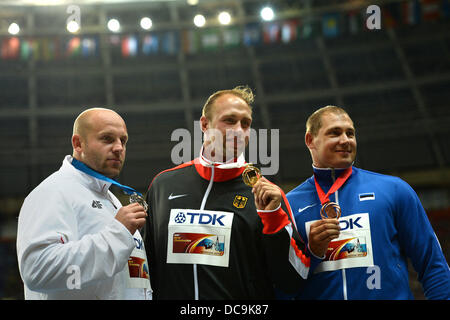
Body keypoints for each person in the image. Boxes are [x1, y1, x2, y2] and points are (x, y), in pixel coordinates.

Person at [143, 86, 329, 300]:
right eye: (230, 121)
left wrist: (274, 220)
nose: (239, 130)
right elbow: (147, 268)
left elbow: (294, 279)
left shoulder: (268, 195)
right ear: (204, 124)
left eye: (246, 124)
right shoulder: (163, 185)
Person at [285, 105, 450, 299]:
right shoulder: (289, 206)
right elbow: (283, 286)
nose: (345, 140)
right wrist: (312, 253)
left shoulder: (395, 190)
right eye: (335, 133)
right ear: (310, 140)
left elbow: (433, 265)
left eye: (350, 133)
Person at [16, 108, 152, 300]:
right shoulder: (53, 192)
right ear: (78, 144)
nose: (119, 147)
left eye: (123, 140)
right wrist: (118, 234)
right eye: (107, 138)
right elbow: (37, 270)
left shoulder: (110, 199)